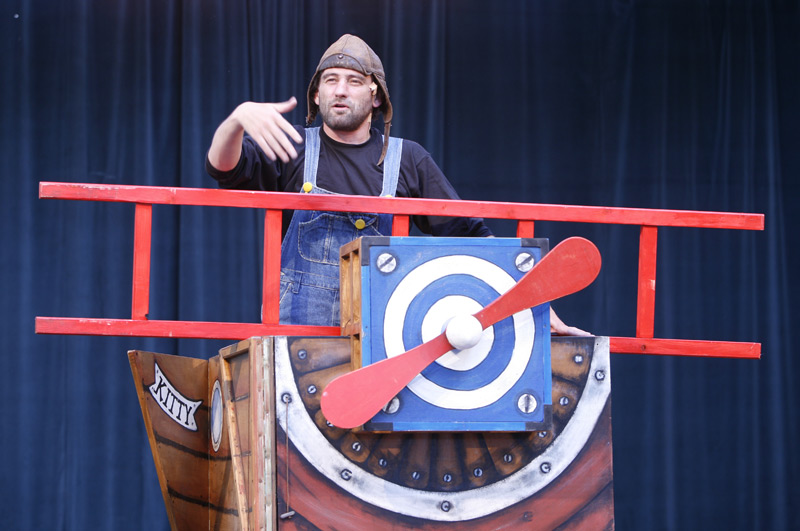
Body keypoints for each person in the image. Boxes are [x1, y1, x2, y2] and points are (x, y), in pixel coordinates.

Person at [206, 34, 588, 335]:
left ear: (376, 97)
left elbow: (470, 235)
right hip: (298, 340)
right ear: (317, 95)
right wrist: (237, 120)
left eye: (354, 81)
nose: (341, 90)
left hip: (381, 342)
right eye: (331, 80)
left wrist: (533, 302)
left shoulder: (408, 159)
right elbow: (223, 169)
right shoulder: (291, 147)